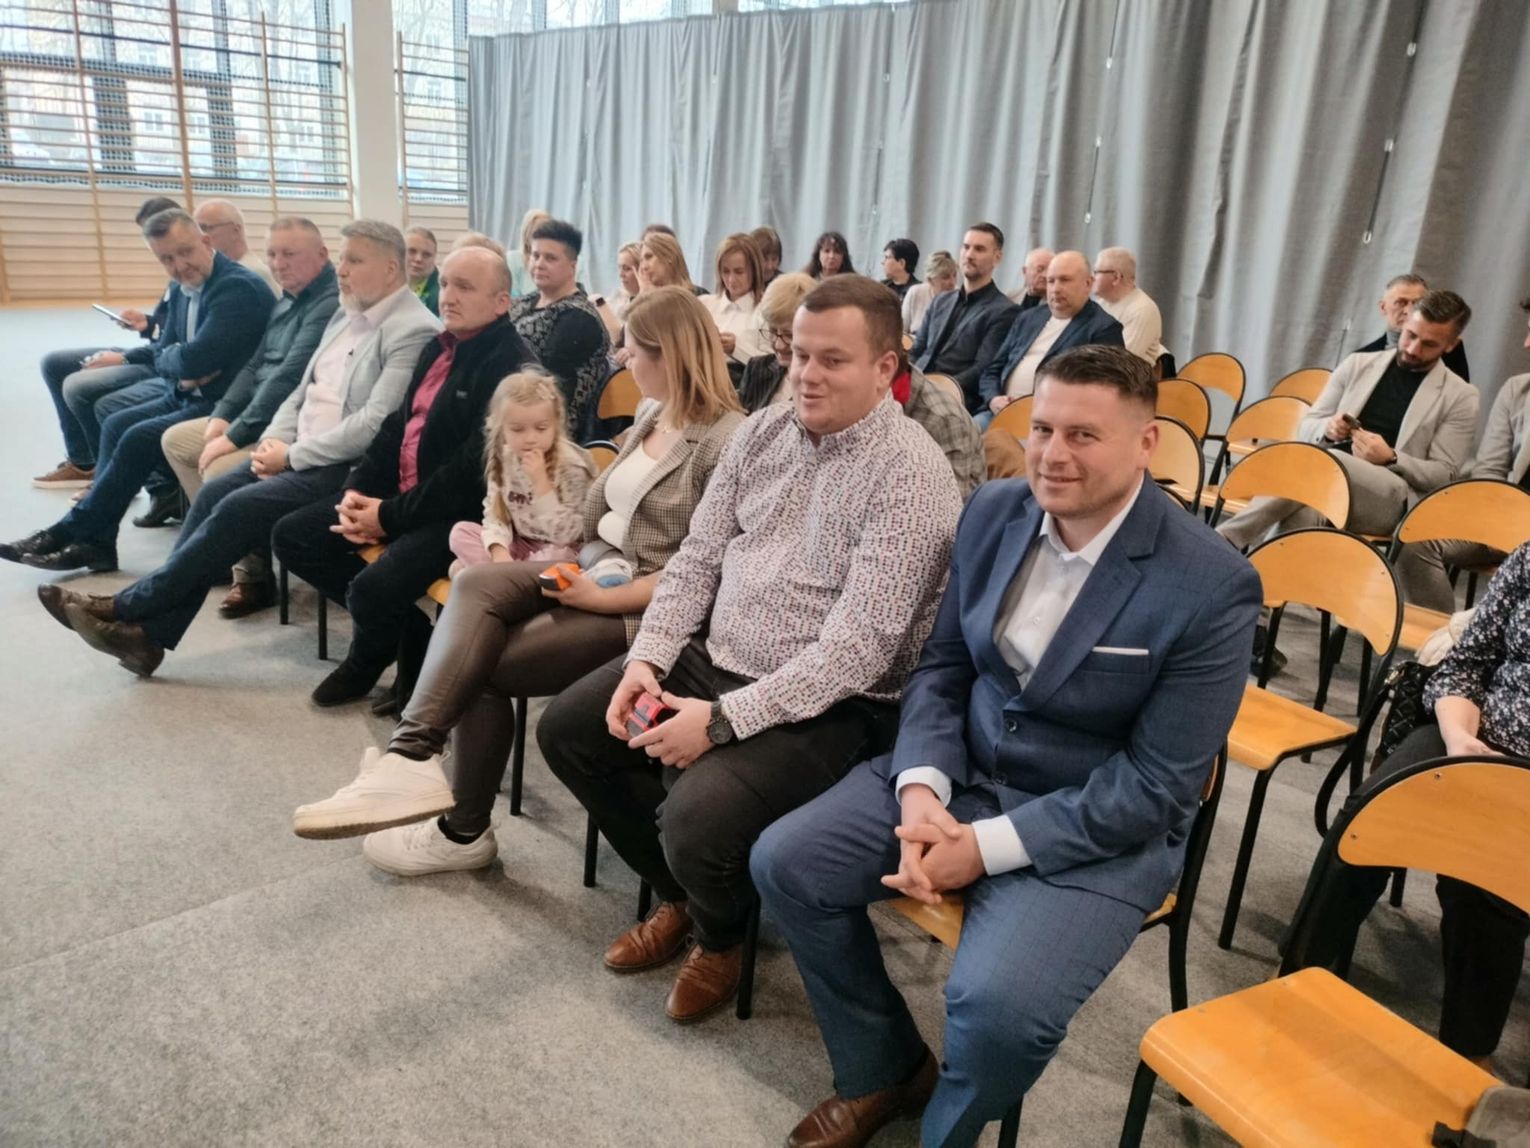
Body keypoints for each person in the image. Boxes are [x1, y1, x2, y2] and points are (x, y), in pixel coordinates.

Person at [752, 345, 1262, 1148]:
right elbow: (945, 665)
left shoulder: (1211, 582)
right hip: (965, 766)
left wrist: (983, 848)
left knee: (996, 1014)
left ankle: (946, 1134)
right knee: (785, 863)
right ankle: (883, 1064)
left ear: (1147, 443)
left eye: (1084, 435)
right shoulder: (993, 510)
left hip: (1091, 819)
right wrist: (922, 788)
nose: (1053, 455)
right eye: (1043, 429)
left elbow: (1158, 785)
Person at [538, 275, 962, 1024]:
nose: (806, 374)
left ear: (884, 368)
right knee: (570, 731)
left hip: (836, 704)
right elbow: (697, 559)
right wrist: (648, 661)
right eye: (798, 354)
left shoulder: (913, 476)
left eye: (832, 360)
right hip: (719, 655)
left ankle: (720, 935)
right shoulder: (764, 431)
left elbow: (857, 653)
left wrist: (719, 722)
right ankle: (686, 896)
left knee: (695, 819)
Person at [288, 286, 744, 871]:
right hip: (594, 564)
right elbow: (594, 516)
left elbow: (703, 572)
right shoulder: (655, 413)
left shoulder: (726, 439)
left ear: (671, 354)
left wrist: (597, 594)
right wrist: (541, 539)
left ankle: (462, 832)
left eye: (633, 351)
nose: (624, 361)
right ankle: (412, 756)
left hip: (647, 603)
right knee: (474, 584)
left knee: (484, 667)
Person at [38, 221, 441, 674]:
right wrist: (276, 439)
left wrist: (290, 456)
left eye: (353, 260)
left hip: (345, 466)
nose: (341, 269)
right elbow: (302, 389)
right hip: (300, 447)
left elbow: (373, 425)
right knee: (215, 492)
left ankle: (130, 608)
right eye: (342, 258)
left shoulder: (414, 330)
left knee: (238, 508)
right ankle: (146, 635)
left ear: (390, 270)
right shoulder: (347, 311)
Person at [1284, 544, 1530, 1073]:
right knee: (1374, 809)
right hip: (1477, 732)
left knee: (1488, 872)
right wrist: (1460, 739)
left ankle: (1469, 1054)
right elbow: (1466, 665)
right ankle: (1295, 974)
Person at [271, 246, 539, 709]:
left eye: (465, 287)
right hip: (405, 495)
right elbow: (396, 427)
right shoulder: (439, 345)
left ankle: (367, 659)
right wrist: (356, 493)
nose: (448, 296)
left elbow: (469, 475)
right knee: (293, 536)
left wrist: (387, 517)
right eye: (446, 283)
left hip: (466, 514)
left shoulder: (511, 369)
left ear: (502, 302)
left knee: (372, 590)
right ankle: (409, 633)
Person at [1, 208, 275, 573]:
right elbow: (168, 353)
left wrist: (181, 363)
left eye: (186, 252)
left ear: (206, 242)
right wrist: (180, 367)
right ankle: (97, 544)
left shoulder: (236, 288)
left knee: (137, 436)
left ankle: (68, 533)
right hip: (188, 394)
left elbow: (193, 359)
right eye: (167, 259)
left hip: (227, 404)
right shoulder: (181, 288)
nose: (179, 265)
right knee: (116, 423)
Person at [158, 216, 340, 613]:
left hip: (286, 425)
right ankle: (211, 551)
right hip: (258, 414)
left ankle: (251, 576)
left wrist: (234, 435)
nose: (278, 264)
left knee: (221, 471)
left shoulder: (329, 304)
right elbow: (256, 364)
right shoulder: (288, 299)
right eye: (272, 254)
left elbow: (290, 378)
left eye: (289, 254)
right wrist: (223, 416)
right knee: (176, 441)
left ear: (322, 255)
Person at [1219, 290, 1479, 550]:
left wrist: (1392, 458)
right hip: (1321, 484)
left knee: (1326, 461)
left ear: (1451, 345)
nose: (1413, 349)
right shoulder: (1358, 364)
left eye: (1429, 344)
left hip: (1390, 498)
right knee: (1304, 511)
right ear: (1406, 321)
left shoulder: (1460, 395)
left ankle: (1224, 540)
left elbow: (1444, 475)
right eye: (1410, 335)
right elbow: (1306, 427)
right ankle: (1259, 573)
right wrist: (1328, 429)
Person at [33, 195, 181, 490]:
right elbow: (170, 329)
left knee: (80, 387)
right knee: (55, 363)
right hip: (153, 350)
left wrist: (124, 358)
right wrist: (148, 323)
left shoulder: (190, 270)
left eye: (153, 233)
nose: (150, 243)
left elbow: (181, 344)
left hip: (159, 360)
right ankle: (84, 461)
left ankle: (106, 474)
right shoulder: (175, 272)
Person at [1396, 295, 1530, 611]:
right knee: (1414, 538)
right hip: (1508, 519)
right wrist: (1501, 523)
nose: (1526, 344)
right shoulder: (1517, 390)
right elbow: (1489, 473)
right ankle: (1440, 636)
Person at [445, 369, 596, 570]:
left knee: (559, 557)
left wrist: (541, 484)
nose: (530, 438)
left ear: (555, 424)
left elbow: (568, 536)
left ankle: (499, 579)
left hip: (558, 548)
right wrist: (499, 551)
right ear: (501, 429)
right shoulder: (504, 458)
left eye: (541, 428)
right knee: (460, 533)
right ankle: (508, 578)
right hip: (520, 546)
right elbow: (496, 516)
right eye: (517, 429)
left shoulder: (571, 465)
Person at [977, 251, 1125, 427]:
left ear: (1088, 284)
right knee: (965, 432)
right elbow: (993, 370)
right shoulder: (1028, 318)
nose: (1056, 288)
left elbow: (1102, 392)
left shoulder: (1103, 328)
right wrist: (993, 399)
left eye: (1065, 280)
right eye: (1051, 281)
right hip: (998, 412)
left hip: (1051, 423)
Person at [508, 218, 610, 440]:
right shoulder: (524, 302)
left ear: (573, 266)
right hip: (509, 413)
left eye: (550, 258)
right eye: (535, 255)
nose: (539, 264)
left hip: (547, 434)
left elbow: (545, 386)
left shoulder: (579, 318)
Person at [910, 224, 1019, 413]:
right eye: (966, 247)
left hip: (956, 399)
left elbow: (981, 368)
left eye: (979, 249)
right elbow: (918, 349)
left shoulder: (1005, 311)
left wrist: (934, 389)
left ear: (997, 257)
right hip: (916, 386)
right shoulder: (941, 300)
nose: (969, 255)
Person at [1359, 273, 1469, 381]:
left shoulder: (1448, 350)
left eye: (1417, 304)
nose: (1409, 311)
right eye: (1401, 303)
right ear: (1383, 308)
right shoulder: (1361, 358)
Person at [736, 272, 817, 412]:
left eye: (789, 335)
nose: (779, 345)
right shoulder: (757, 368)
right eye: (772, 331)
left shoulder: (822, 381)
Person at [700, 232, 769, 368]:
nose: (731, 280)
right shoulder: (704, 304)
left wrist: (736, 349)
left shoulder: (765, 312)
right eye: (725, 271)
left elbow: (772, 365)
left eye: (739, 272)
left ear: (754, 270)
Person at [1092, 246, 1167, 368]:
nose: (1091, 278)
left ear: (1116, 277)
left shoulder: (1142, 309)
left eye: (1096, 272)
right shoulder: (1102, 303)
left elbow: (1121, 361)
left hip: (1126, 378)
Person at [193, 199, 280, 297]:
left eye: (205, 228)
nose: (200, 237)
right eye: (196, 231)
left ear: (235, 231)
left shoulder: (252, 274)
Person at [591, 242, 642, 341]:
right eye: (620, 268)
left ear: (641, 270)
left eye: (627, 269)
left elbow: (620, 340)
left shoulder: (649, 305)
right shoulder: (616, 297)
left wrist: (600, 303)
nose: (621, 274)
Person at [902, 250, 957, 338]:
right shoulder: (915, 292)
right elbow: (901, 332)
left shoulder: (960, 298)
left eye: (954, 275)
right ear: (930, 280)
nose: (952, 282)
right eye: (945, 277)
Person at [508, 208, 551, 297]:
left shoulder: (560, 261)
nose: (544, 236)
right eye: (538, 232)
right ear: (527, 234)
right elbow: (511, 294)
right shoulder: (514, 258)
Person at [405, 226, 440, 315]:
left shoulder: (441, 295)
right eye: (412, 251)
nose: (418, 259)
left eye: (426, 255)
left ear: (434, 258)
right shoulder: (382, 286)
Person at [1007, 246, 1054, 311]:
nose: (1045, 275)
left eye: (1050, 270)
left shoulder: (1057, 302)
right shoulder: (1011, 298)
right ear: (1025, 271)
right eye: (1040, 269)